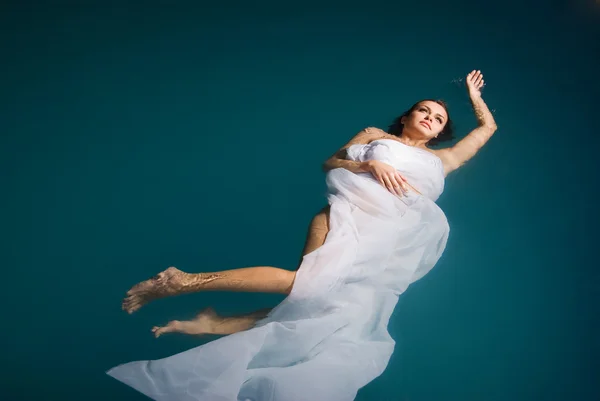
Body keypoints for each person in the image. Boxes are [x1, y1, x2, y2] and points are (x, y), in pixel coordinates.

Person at [107, 70, 497, 401]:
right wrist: (371, 165)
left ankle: (212, 322)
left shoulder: (443, 160)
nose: (430, 118)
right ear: (408, 115)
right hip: (347, 215)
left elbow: (488, 128)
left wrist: (474, 96)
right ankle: (183, 282)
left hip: (388, 245)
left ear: (443, 131)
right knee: (308, 288)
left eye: (439, 119)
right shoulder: (376, 134)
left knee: (328, 311)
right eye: (424, 110)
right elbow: (332, 162)